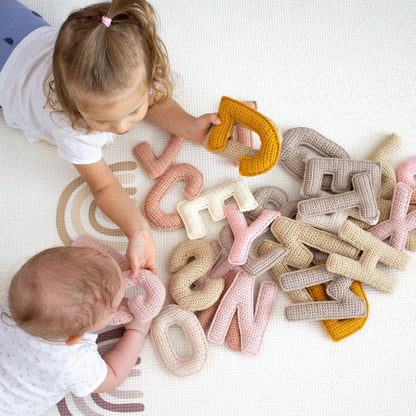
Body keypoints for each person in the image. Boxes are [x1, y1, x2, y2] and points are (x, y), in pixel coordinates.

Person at [0, 0, 220, 278]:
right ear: (70, 104)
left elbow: (154, 101)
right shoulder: (71, 128)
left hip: (15, 21)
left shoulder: (130, 72)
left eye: (133, 111)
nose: (122, 127)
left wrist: (189, 125)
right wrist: (137, 228)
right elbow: (103, 187)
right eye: (102, 121)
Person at [0, 245, 151, 415]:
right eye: (115, 308)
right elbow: (113, 375)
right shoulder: (72, 362)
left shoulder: (15, 306)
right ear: (75, 337)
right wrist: (136, 332)